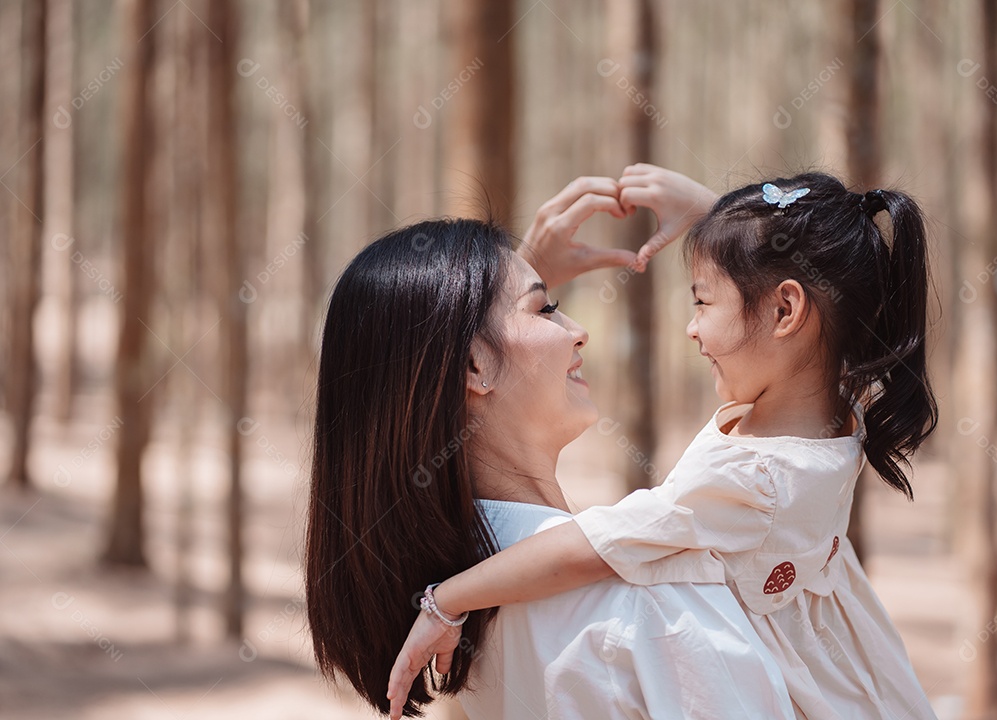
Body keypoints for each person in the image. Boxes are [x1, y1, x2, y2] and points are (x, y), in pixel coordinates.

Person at [388, 170, 940, 720]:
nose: (691, 329)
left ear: (784, 311)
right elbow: (813, 303)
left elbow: (597, 544)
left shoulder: (750, 485)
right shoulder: (830, 419)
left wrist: (450, 599)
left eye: (702, 302)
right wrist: (719, 219)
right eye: (546, 309)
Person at [305, 173, 796, 719]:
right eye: (546, 309)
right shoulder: (645, 594)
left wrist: (515, 285)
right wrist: (726, 225)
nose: (578, 330)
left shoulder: (456, 601)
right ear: (474, 365)